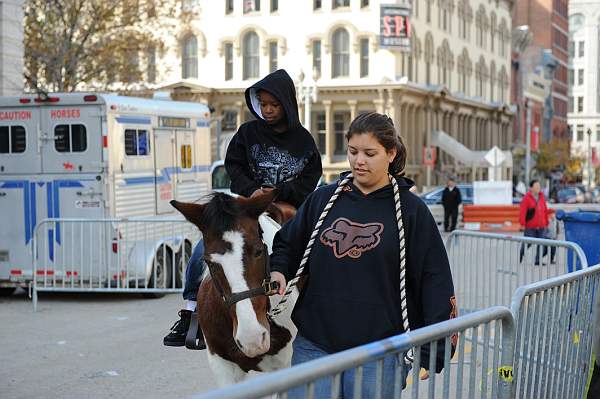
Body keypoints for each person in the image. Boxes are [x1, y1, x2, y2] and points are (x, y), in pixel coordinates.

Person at [269, 112, 456, 397]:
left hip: (380, 351)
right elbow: (288, 244)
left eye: (370, 153)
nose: (359, 161)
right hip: (315, 344)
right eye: (353, 152)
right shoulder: (323, 200)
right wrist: (279, 269)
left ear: (390, 153)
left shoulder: (411, 211)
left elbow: (434, 279)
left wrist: (435, 350)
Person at [163, 69, 322, 347]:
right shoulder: (247, 132)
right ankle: (191, 311)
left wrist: (278, 193)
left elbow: (311, 178)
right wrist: (251, 190)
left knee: (315, 247)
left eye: (274, 105)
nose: (268, 110)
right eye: (263, 104)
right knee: (208, 247)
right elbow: (233, 165)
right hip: (246, 205)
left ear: (287, 104)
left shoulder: (304, 140)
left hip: (288, 205)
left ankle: (321, 308)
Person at [519, 179, 555, 265]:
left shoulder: (541, 197)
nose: (538, 188)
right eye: (536, 186)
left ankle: (537, 260)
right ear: (531, 188)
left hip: (541, 225)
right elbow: (522, 212)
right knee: (528, 243)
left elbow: (544, 210)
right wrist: (522, 224)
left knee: (541, 243)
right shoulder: (526, 198)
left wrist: (550, 214)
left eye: (539, 186)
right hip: (531, 226)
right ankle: (522, 252)